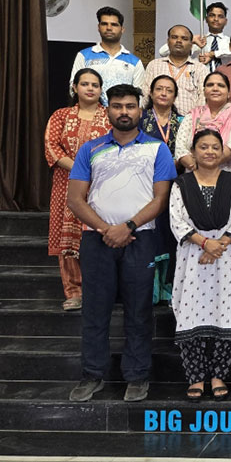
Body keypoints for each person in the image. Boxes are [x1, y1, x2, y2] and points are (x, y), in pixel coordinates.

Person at [66, 84, 176, 403]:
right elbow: (75, 199)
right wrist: (106, 229)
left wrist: (128, 226)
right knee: (95, 310)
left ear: (140, 110)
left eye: (130, 106)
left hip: (141, 238)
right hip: (96, 239)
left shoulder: (157, 149)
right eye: (117, 106)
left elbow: (161, 198)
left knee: (139, 310)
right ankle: (92, 375)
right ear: (108, 111)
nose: (124, 112)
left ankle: (137, 376)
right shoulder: (90, 149)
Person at [169, 129, 231, 401]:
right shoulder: (181, 184)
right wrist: (204, 243)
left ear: (222, 151)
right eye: (204, 147)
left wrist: (217, 246)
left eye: (215, 147)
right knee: (190, 311)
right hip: (192, 256)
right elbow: (177, 220)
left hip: (227, 257)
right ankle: (195, 377)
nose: (210, 152)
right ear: (193, 151)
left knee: (225, 312)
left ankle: (218, 376)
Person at [45, 68, 112, 311]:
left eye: (95, 84)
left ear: (101, 89)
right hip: (67, 183)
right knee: (68, 237)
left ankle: (98, 291)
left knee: (98, 233)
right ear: (75, 87)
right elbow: (51, 147)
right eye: (85, 84)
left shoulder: (110, 117)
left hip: (102, 183)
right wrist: (79, 169)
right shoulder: (61, 116)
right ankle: (73, 292)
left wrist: (94, 170)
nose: (90, 88)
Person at [139, 75, 183, 305]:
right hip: (145, 184)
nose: (164, 93)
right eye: (159, 89)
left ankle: (168, 289)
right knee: (149, 233)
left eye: (169, 90)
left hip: (176, 184)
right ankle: (150, 289)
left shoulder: (183, 122)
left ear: (175, 96)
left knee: (169, 233)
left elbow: (188, 150)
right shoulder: (140, 119)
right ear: (151, 93)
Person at [175, 72, 231, 180]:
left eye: (221, 85)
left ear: (229, 93)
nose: (215, 88)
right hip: (194, 176)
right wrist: (195, 166)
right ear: (204, 92)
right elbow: (180, 147)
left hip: (229, 177)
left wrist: (207, 163)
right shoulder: (193, 115)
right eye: (210, 85)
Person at [69, 6, 145, 106]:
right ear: (98, 27)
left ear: (122, 29)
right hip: (91, 113)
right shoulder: (84, 56)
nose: (109, 28)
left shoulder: (135, 62)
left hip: (122, 114)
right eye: (104, 24)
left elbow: (140, 96)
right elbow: (73, 88)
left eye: (114, 24)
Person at [143, 25, 210, 116]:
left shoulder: (200, 69)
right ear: (168, 41)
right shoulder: (154, 65)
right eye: (174, 37)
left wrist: (192, 119)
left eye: (184, 38)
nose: (179, 41)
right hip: (157, 119)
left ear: (191, 44)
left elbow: (204, 97)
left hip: (189, 120)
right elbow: (146, 95)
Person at [158, 2, 231, 71]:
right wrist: (191, 40)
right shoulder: (197, 41)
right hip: (199, 78)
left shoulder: (230, 42)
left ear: (226, 21)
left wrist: (212, 54)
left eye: (220, 16)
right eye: (212, 15)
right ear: (206, 19)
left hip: (226, 79)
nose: (216, 19)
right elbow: (163, 52)